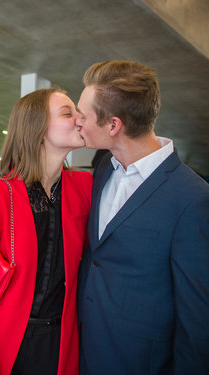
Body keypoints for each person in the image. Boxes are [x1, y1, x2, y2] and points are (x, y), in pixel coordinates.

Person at [76, 60, 209, 374]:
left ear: (113, 125)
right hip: (86, 354)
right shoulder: (104, 169)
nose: (77, 122)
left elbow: (198, 323)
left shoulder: (193, 199)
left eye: (84, 114)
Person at [0, 88, 92, 375]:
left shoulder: (85, 188)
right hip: (9, 345)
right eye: (68, 113)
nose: (80, 118)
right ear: (37, 127)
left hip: (64, 343)